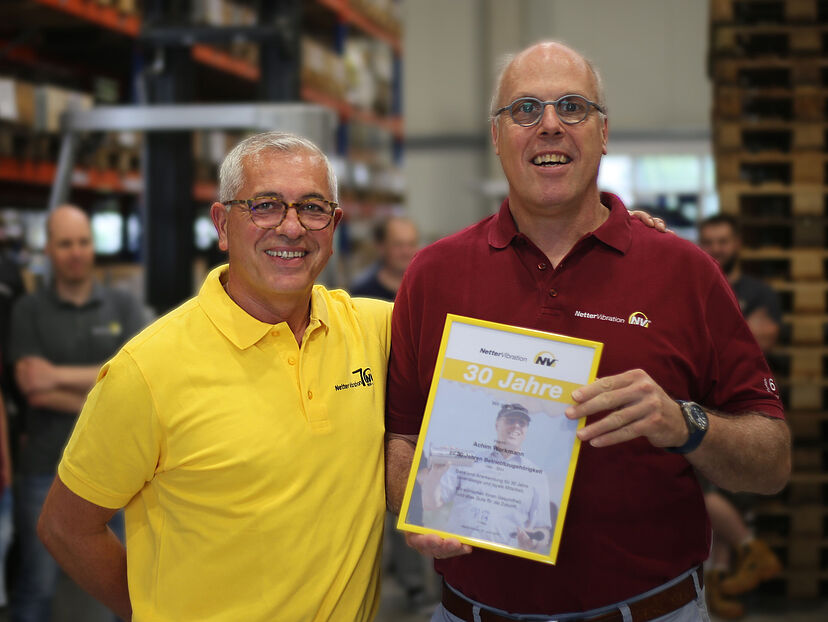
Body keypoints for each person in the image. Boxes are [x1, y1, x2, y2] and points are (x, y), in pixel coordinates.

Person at [385, 41, 790, 622]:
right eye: (525, 109)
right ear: (496, 136)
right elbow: (401, 436)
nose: (549, 125)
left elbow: (772, 461)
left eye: (572, 107)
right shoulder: (433, 274)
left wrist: (684, 423)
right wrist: (417, 505)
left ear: (603, 133)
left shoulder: (685, 272)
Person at [36, 132, 392, 622]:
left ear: (334, 226)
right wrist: (147, 611)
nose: (291, 228)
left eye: (312, 208)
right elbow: (65, 527)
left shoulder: (375, 331)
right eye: (265, 206)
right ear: (222, 225)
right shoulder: (147, 371)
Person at [8, 204, 145, 622]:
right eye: (65, 243)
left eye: (83, 242)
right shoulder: (29, 311)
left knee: (129, 589)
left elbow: (139, 385)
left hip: (120, 475)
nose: (76, 252)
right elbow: (33, 389)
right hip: (44, 470)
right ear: (49, 249)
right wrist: (108, 383)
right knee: (36, 587)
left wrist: (56, 376)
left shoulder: (123, 306)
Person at [698, 214, 784, 619]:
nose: (716, 248)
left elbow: (763, 338)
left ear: (738, 244)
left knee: (722, 491)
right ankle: (731, 571)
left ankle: (747, 553)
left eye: (723, 240)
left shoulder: (759, 291)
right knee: (708, 491)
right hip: (702, 403)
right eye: (709, 241)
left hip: (746, 407)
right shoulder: (698, 284)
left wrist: (709, 341)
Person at [417, 403, 554, 553]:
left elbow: (543, 530)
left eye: (522, 423)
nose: (516, 426)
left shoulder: (537, 476)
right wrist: (436, 474)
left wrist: (534, 541)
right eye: (510, 420)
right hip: (455, 553)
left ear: (526, 430)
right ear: (497, 424)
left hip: (504, 558)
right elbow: (430, 504)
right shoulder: (467, 460)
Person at [351, 216, 419, 301]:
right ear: (381, 247)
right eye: (398, 245)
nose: (406, 252)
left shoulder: (424, 287)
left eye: (411, 244)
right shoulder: (363, 292)